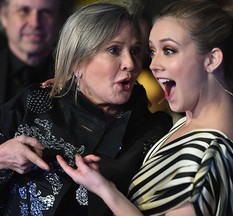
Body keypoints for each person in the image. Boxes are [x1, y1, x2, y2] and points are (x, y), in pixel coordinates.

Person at [57, 0, 233, 215]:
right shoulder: (218, 118)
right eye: (153, 51)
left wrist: (106, 190)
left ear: (212, 59)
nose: (153, 64)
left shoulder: (207, 155)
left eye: (169, 50)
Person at [0, 2, 172, 215]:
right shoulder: (35, 103)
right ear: (77, 62)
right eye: (113, 50)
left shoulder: (153, 132)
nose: (130, 63)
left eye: (135, 50)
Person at [0, 0, 74, 105]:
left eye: (46, 12)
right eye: (24, 10)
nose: (35, 23)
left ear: (61, 19)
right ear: (4, 16)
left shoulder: (76, 77)